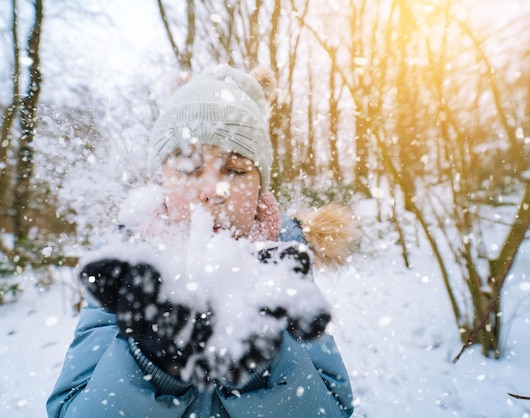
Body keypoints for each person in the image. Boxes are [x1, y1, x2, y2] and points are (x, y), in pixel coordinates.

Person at [47, 65, 355, 417]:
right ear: (161, 179)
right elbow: (70, 410)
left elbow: (333, 409)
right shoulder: (126, 273)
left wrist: (261, 368)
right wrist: (152, 366)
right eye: (189, 167)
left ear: (259, 187)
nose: (211, 191)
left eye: (235, 170)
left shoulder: (283, 265)